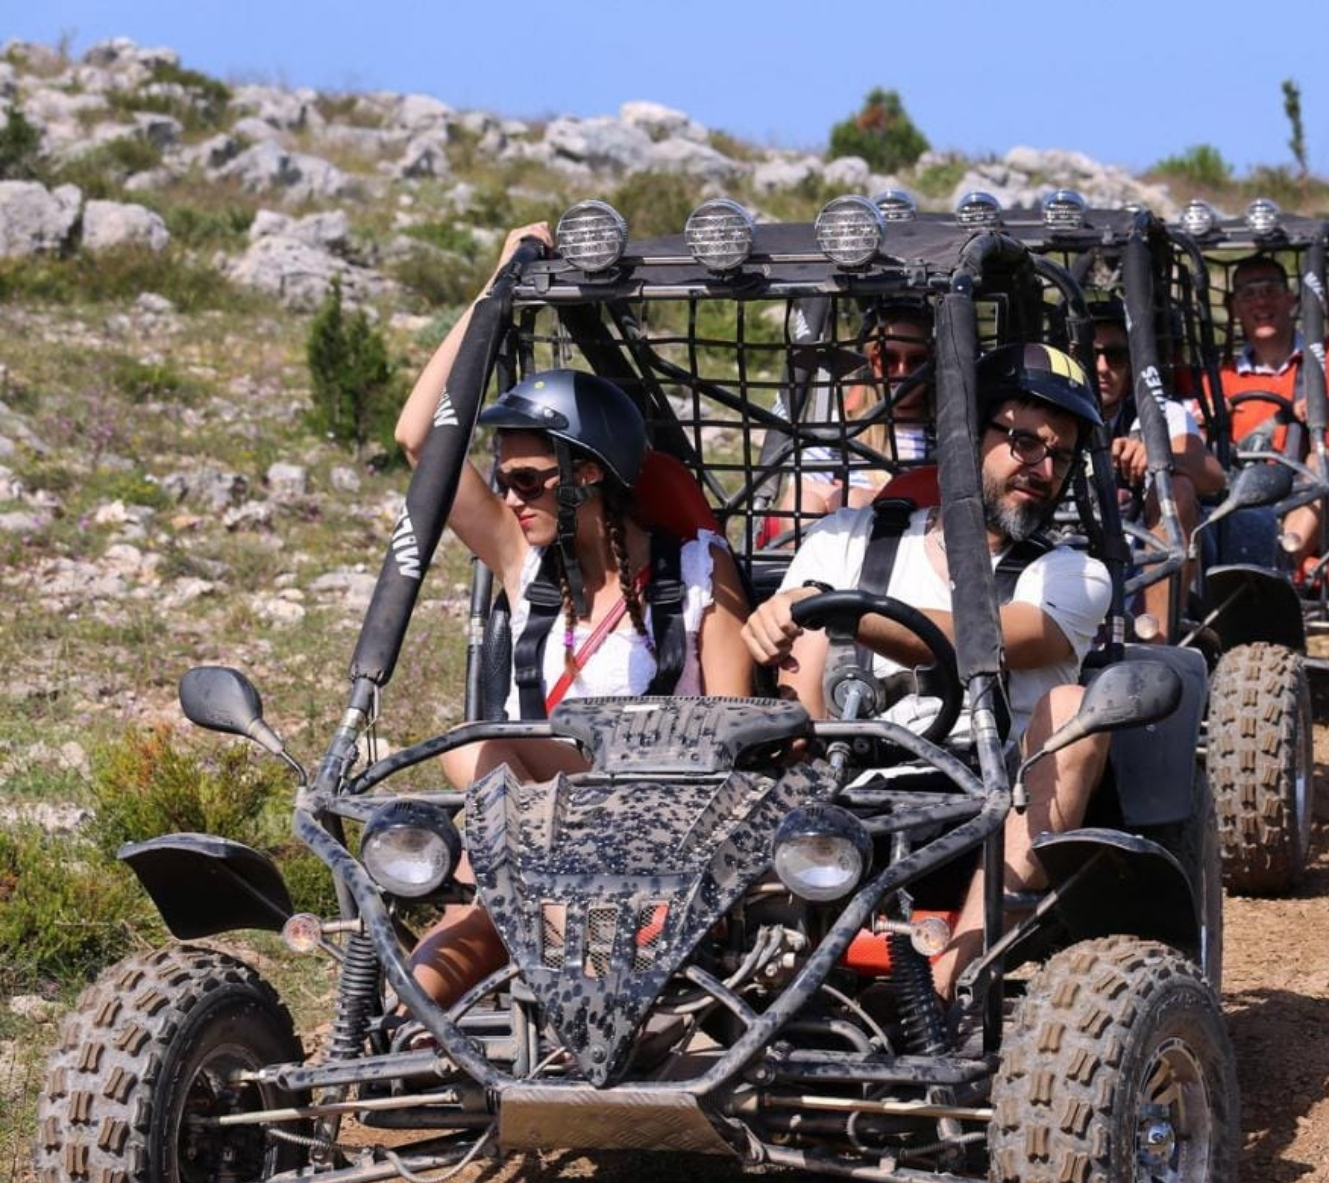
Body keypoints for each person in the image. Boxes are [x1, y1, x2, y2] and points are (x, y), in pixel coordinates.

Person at [392, 223, 755, 1006]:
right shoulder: (530, 575)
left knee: (483, 746)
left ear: (587, 474)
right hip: (542, 852)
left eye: (528, 480)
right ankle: (436, 1040)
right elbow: (421, 441)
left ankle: (592, 962)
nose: (512, 498)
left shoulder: (694, 574)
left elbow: (733, 736)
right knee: (417, 992)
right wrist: (497, 289)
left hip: (668, 834)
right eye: (506, 481)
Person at [740, 342, 1115, 999]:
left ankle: (958, 969)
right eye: (1025, 442)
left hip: (988, 807)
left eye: (1060, 454)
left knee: (1079, 707)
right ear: (967, 435)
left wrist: (826, 609)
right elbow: (798, 689)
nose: (1043, 467)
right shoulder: (846, 539)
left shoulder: (1074, 574)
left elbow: (980, 637)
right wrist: (777, 625)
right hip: (849, 797)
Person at [1216, 254, 1329, 571]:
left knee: (1322, 460)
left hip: (1328, 484)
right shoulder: (1223, 376)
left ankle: (1283, 560)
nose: (1261, 301)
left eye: (1270, 289)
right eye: (1248, 293)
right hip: (1247, 486)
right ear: (1233, 306)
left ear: (1291, 298)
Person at [1091, 304, 1225, 630]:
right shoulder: (1050, 417)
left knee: (1177, 487)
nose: (1103, 367)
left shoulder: (1162, 414)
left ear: (1132, 364)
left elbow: (1213, 477)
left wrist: (1160, 456)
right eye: (1089, 354)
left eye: (1116, 356)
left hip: (1145, 563)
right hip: (1071, 559)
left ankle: (1154, 641)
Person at [783, 300, 935, 518]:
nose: (902, 373)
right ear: (869, 363)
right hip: (843, 547)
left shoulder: (947, 435)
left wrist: (860, 497)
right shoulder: (837, 429)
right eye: (888, 358)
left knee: (848, 501)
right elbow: (797, 499)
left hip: (920, 545)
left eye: (917, 361)